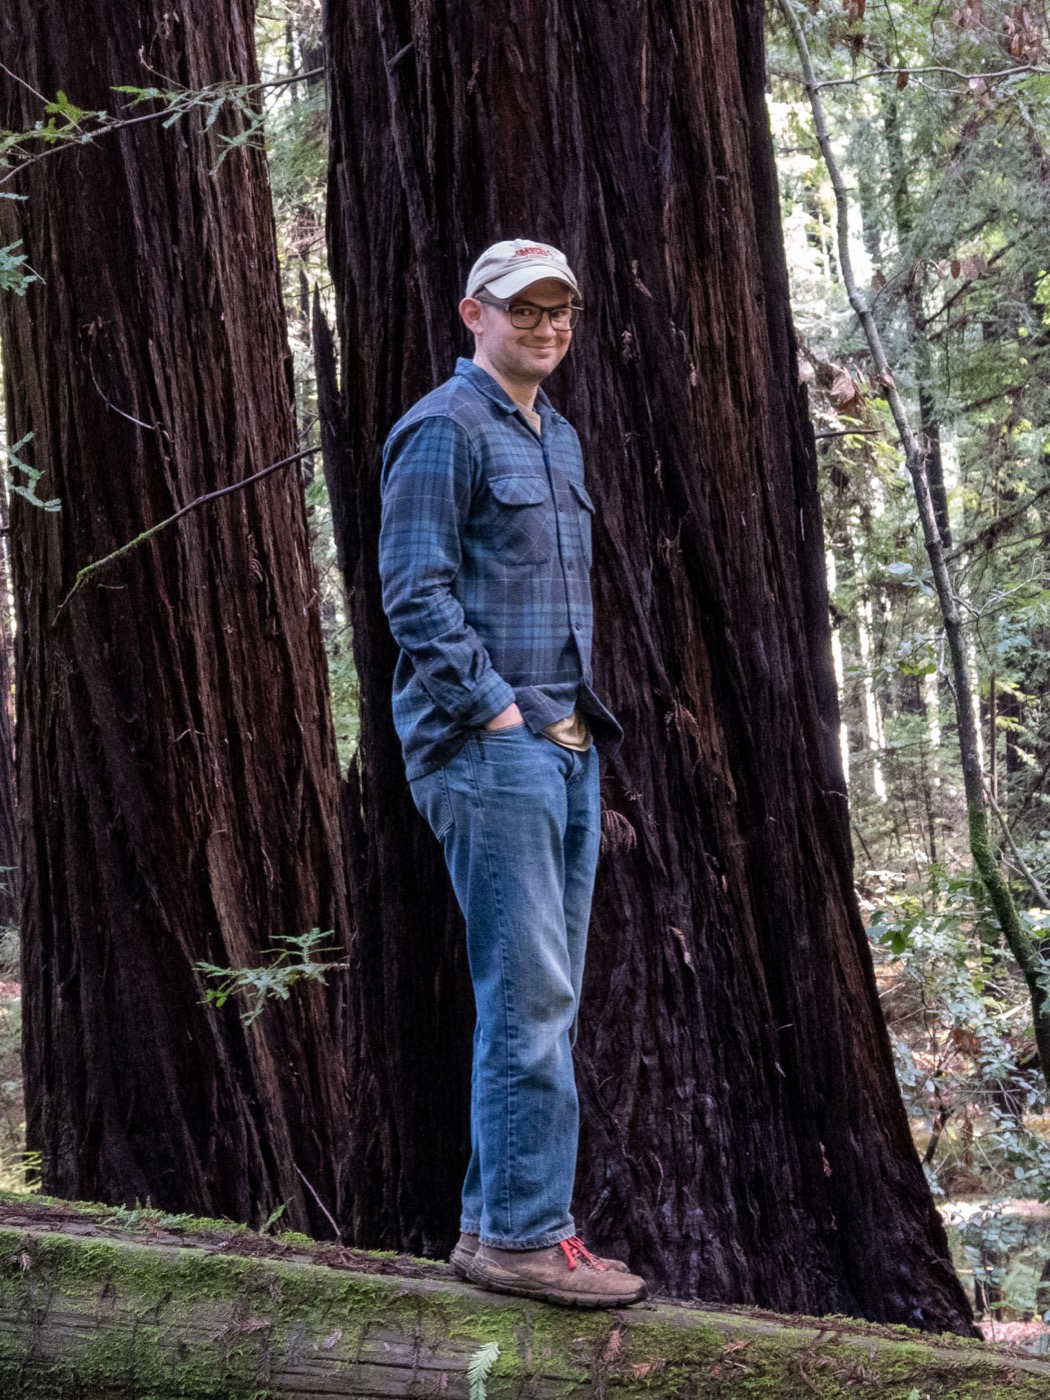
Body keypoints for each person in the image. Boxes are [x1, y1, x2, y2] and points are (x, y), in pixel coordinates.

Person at [378, 239, 647, 1308]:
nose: (546, 327)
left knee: (545, 995)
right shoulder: (443, 428)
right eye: (523, 309)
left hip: (566, 739)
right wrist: (494, 713)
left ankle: (502, 1224)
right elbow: (413, 592)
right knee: (528, 996)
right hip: (495, 747)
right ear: (472, 315)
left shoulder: (558, 435)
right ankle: (527, 1238)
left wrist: (557, 729)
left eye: (561, 311)